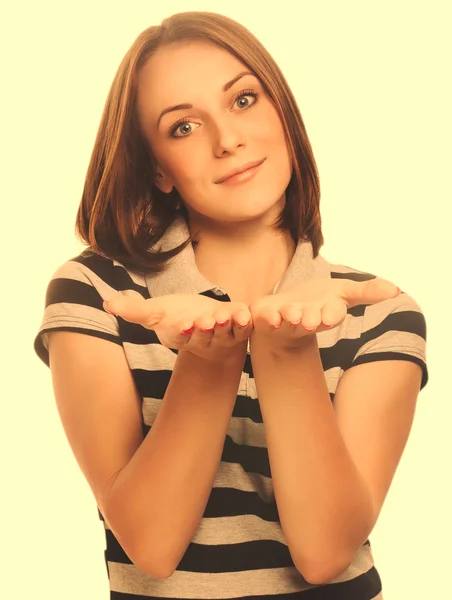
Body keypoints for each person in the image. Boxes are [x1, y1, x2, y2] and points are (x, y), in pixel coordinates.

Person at [33, 11, 428, 600]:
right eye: (183, 128)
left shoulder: (377, 312)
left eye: (243, 100)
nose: (228, 140)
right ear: (159, 170)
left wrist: (284, 348)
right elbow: (151, 545)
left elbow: (325, 555)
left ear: (284, 115)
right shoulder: (99, 296)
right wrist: (210, 359)